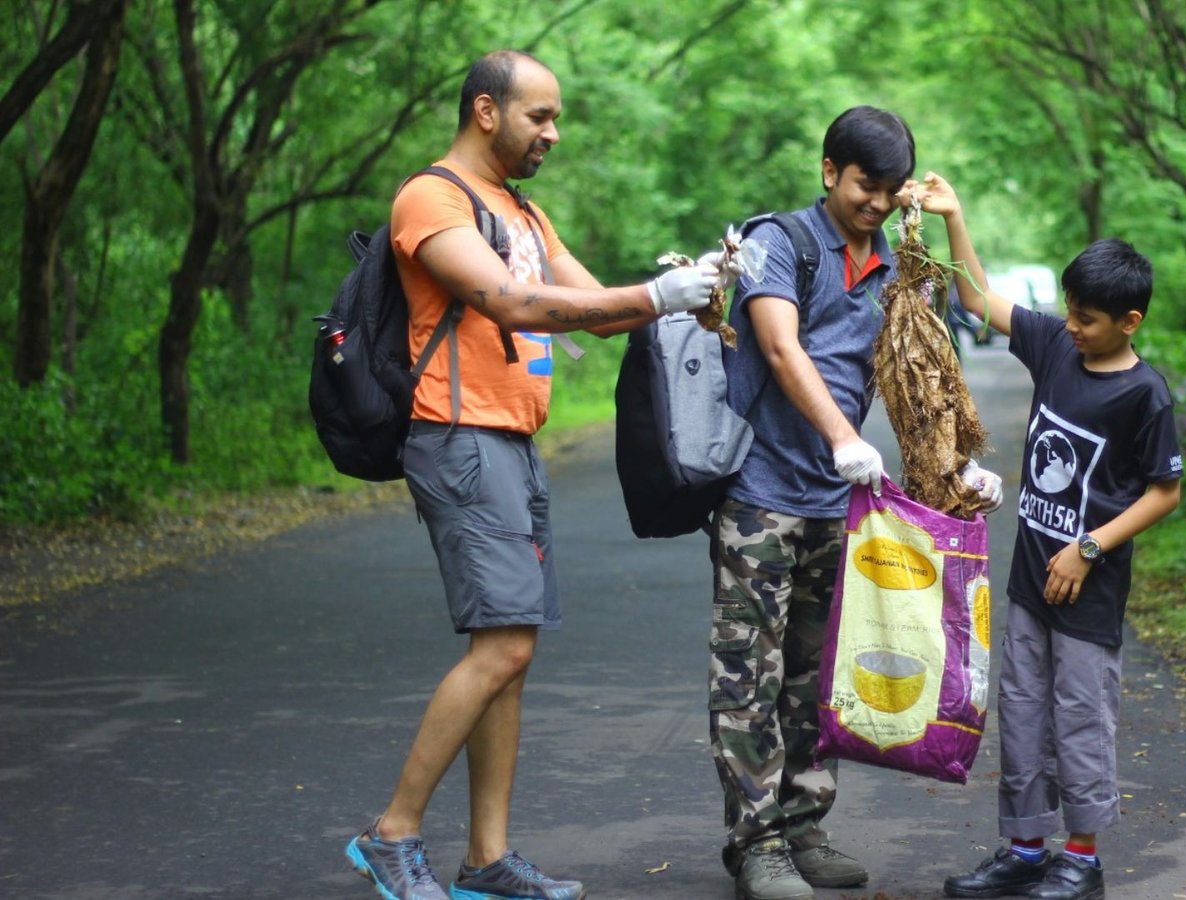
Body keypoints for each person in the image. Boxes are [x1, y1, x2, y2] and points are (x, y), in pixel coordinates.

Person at [344, 50, 720, 900]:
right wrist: (656, 295)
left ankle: (487, 857)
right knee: (504, 643)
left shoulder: (520, 210)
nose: (552, 133)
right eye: (538, 117)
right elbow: (511, 304)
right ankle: (392, 833)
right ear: (486, 110)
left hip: (513, 441)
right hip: (460, 436)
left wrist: (696, 290)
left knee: (511, 650)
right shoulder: (431, 199)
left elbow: (596, 305)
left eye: (555, 118)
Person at [707, 108, 1004, 900]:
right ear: (830, 170)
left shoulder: (896, 267)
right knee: (750, 674)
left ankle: (803, 828)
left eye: (887, 190)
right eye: (863, 186)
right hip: (761, 498)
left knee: (815, 674)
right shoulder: (780, 241)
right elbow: (779, 345)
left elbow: (923, 378)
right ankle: (756, 843)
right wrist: (845, 436)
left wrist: (957, 468)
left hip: (840, 508)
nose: (874, 203)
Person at [914, 172, 1184, 900]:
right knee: (1024, 714)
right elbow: (975, 298)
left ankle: (1082, 858)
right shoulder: (1058, 348)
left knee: (1080, 720)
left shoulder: (1143, 394)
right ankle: (1025, 851)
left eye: (1089, 318)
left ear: (1130, 321)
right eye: (1069, 311)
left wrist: (1090, 547)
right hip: (1031, 583)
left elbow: (1166, 491)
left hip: (1087, 592)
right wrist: (954, 217)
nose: (1072, 325)